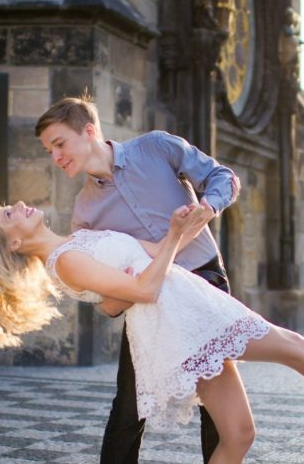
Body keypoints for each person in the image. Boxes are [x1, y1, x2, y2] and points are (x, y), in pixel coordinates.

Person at [0, 200, 304, 464]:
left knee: (240, 434)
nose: (18, 204)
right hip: (177, 321)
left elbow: (123, 291)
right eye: (9, 214)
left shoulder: (78, 241)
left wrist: (188, 222)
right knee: (295, 348)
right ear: (14, 242)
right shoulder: (65, 260)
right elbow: (143, 289)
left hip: (187, 308)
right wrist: (168, 239)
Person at [34, 97, 238, 463]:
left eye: (60, 144)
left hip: (204, 280)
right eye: (50, 150)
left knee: (218, 406)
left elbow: (222, 176)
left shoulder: (157, 147)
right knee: (129, 406)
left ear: (89, 131)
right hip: (149, 301)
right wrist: (117, 292)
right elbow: (104, 295)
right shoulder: (84, 213)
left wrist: (208, 208)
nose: (56, 156)